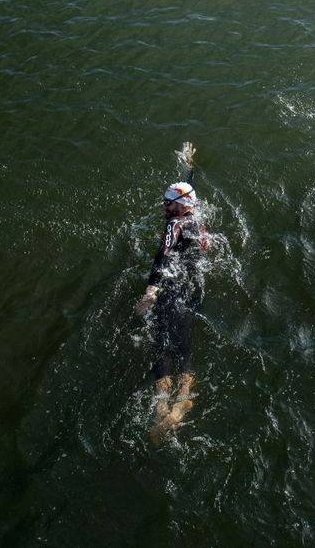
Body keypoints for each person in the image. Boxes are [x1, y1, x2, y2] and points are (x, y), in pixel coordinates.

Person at [135, 142, 210, 441]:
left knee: (161, 341)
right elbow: (188, 189)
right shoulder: (196, 214)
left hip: (175, 286)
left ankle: (162, 407)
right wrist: (188, 167)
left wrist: (150, 292)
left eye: (167, 203)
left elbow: (163, 255)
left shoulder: (174, 225)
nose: (164, 207)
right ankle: (185, 396)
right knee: (184, 343)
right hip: (196, 285)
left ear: (179, 206)